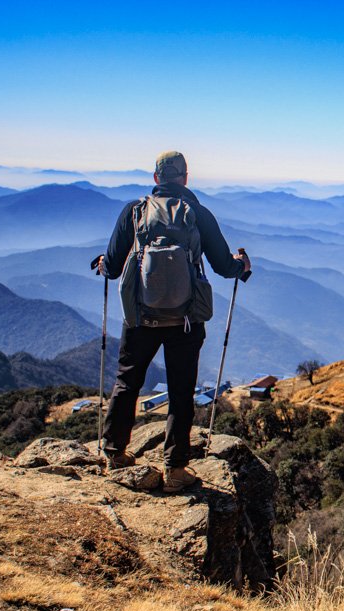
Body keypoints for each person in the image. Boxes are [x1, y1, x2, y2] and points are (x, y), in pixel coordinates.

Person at [95, 151, 250, 492]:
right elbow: (225, 266)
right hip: (186, 320)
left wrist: (103, 264)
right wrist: (242, 265)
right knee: (181, 391)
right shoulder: (198, 214)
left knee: (127, 382)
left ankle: (114, 454)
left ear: (155, 178)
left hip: (140, 317)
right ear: (186, 177)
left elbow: (114, 264)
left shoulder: (134, 212)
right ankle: (176, 470)